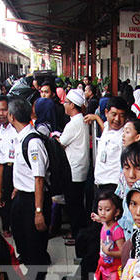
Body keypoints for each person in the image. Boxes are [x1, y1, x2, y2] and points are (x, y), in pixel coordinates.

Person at [7, 97, 52, 280]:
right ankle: (31, 278)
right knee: (23, 242)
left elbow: (39, 179)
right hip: (23, 196)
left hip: (35, 200)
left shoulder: (32, 142)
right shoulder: (20, 138)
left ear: (11, 116)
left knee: (35, 245)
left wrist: (38, 211)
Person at [59, 88, 90, 246]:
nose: (64, 105)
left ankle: (77, 234)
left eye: (66, 103)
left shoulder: (74, 123)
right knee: (77, 203)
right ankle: (77, 232)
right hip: (80, 168)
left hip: (74, 169)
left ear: (72, 105)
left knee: (74, 204)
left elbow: (61, 143)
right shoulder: (81, 120)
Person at [86, 96, 130, 191]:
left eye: (121, 116)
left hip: (113, 185)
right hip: (99, 182)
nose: (117, 119)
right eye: (113, 114)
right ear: (106, 113)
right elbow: (104, 126)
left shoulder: (125, 135)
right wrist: (96, 118)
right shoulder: (107, 127)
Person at [0, 95, 16, 237]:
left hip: (19, 169)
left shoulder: (18, 130)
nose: (1, 114)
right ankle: (7, 227)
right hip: (7, 170)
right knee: (6, 201)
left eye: (4, 110)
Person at [94, 191, 125, 280]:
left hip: (115, 270)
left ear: (116, 212)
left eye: (107, 210)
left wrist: (109, 253)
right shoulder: (105, 224)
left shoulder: (116, 230)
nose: (102, 213)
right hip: (104, 266)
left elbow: (123, 252)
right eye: (100, 209)